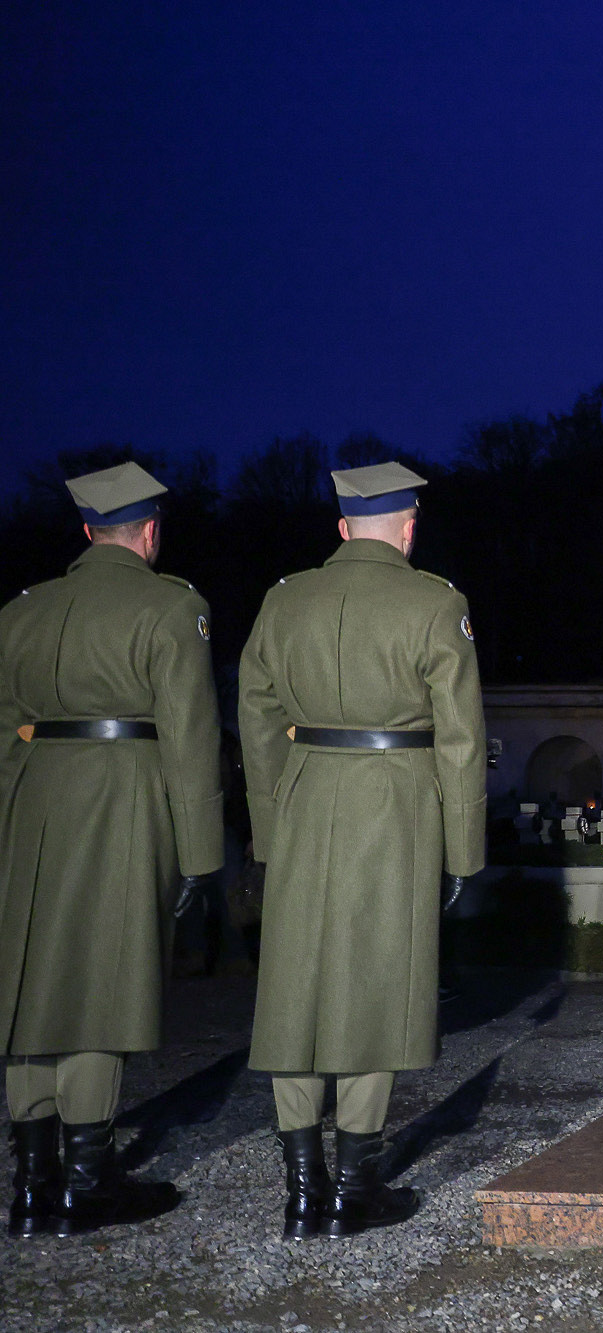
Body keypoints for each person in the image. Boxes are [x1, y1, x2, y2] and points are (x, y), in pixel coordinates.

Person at [239, 461, 485, 1240]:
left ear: (342, 527)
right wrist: (462, 853)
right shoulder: (436, 603)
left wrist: (270, 823)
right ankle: (354, 1186)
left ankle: (300, 1188)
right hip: (396, 803)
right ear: (408, 530)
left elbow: (255, 714)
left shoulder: (284, 599)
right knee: (377, 977)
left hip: (306, 795)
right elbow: (460, 738)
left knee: (294, 981)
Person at [0, 463, 223, 1237]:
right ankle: (86, 1181)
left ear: (87, 529)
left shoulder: (22, 611)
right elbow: (190, 737)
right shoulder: (172, 608)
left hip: (34, 802)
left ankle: (32, 1182)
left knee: (30, 982)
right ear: (150, 532)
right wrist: (201, 854)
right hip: (123, 799)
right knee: (100, 979)